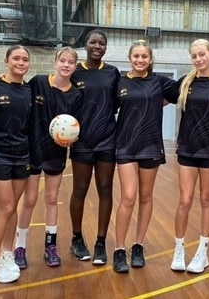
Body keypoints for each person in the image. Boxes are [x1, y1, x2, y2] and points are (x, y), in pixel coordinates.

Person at [112, 40, 178, 273]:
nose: (140, 60)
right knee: (128, 197)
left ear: (150, 60)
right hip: (126, 145)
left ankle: (138, 245)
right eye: (136, 56)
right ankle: (119, 249)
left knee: (146, 196)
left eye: (144, 56)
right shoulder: (119, 81)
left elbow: (188, 88)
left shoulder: (159, 82)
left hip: (150, 145)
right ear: (130, 58)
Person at [14, 47, 82, 269]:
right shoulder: (38, 83)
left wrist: (71, 137)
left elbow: (76, 126)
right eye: (62, 60)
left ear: (75, 66)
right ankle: (20, 246)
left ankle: (50, 246)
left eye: (71, 62)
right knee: (30, 200)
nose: (66, 65)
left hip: (56, 151)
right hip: (33, 149)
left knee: (52, 198)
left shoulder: (76, 95)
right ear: (55, 62)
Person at [171, 38, 209, 274]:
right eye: (194, 56)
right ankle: (179, 248)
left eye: (202, 55)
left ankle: (203, 251)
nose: (198, 59)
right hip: (187, 146)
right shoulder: (186, 82)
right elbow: (159, 95)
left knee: (206, 200)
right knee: (185, 200)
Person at [68, 30, 120, 265]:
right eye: (93, 42)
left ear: (106, 48)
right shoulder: (74, 71)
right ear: (85, 45)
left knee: (106, 189)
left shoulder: (112, 73)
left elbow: (119, 103)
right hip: (81, 141)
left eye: (102, 43)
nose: (97, 46)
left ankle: (101, 242)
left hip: (107, 139)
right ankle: (77, 238)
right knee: (79, 189)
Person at [0, 46, 32, 283]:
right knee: (5, 208)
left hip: (22, 155)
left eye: (25, 59)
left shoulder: (29, 90)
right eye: (16, 58)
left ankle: (7, 254)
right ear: (6, 61)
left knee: (13, 207)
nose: (21, 62)